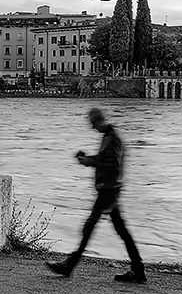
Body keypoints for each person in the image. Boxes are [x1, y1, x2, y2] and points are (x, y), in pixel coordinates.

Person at [47, 107, 146, 283]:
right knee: (120, 230)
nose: (92, 128)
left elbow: (112, 166)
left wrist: (91, 162)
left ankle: (69, 265)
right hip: (110, 189)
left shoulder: (112, 138)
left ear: (100, 120)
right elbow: (108, 161)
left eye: (93, 124)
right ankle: (138, 270)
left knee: (90, 227)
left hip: (109, 190)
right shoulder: (110, 137)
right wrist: (90, 160)